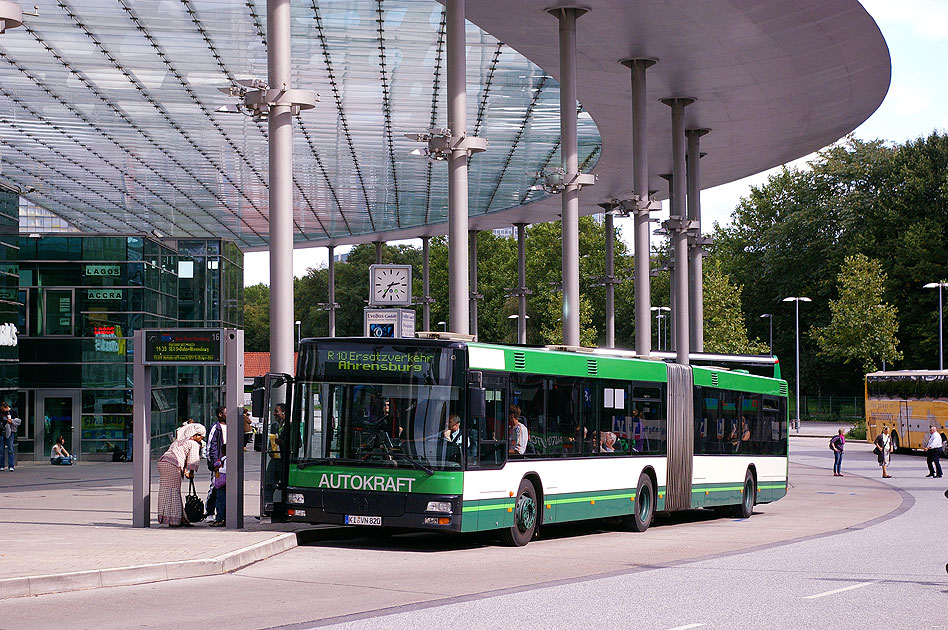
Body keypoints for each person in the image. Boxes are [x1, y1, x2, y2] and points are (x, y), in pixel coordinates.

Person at [157, 423, 205, 527]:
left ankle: (174, 518)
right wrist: (190, 472)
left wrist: (185, 471)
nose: (201, 439)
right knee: (174, 492)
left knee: (166, 492)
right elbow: (193, 461)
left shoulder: (179, 441)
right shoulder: (193, 443)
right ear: (196, 435)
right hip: (173, 464)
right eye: (201, 437)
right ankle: (175, 520)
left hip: (163, 462)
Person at [206, 406, 227, 527]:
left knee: (226, 490)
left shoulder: (232, 426)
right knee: (215, 487)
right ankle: (210, 511)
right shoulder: (216, 428)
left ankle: (224, 514)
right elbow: (211, 447)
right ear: (220, 415)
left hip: (229, 463)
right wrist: (214, 463)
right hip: (219, 464)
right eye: (226, 413)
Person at [1, 401, 21, 471]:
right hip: (2, 431)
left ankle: (11, 465)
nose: (2, 410)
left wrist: (11, 421)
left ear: (6, 407)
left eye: (3, 409)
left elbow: (18, 421)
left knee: (10, 449)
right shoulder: (1, 412)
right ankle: (1, 465)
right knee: (1, 449)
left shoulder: (13, 412)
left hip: (10, 431)